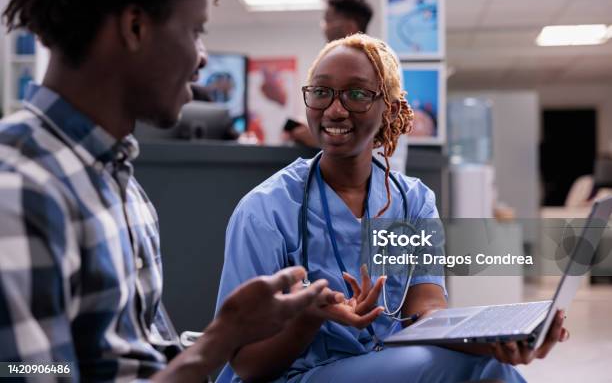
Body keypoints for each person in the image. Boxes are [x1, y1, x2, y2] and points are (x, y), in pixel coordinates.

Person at [0, 0, 342, 381]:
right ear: (135, 28)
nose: (202, 59)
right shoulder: (19, 192)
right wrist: (223, 338)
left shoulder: (124, 188)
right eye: (195, 31)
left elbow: (141, 361)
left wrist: (248, 332)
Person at [215, 34, 569, 382]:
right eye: (322, 92)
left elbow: (426, 313)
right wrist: (310, 317)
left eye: (357, 94)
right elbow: (247, 365)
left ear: (390, 108)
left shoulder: (413, 201)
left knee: (491, 366)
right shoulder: (265, 211)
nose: (336, 110)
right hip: (295, 376)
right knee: (477, 372)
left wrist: (494, 342)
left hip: (389, 367)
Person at [288, 0, 409, 174]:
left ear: (350, 26)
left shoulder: (380, 60)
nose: (335, 110)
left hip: (376, 171)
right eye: (322, 92)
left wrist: (325, 135)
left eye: (328, 20)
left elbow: (371, 128)